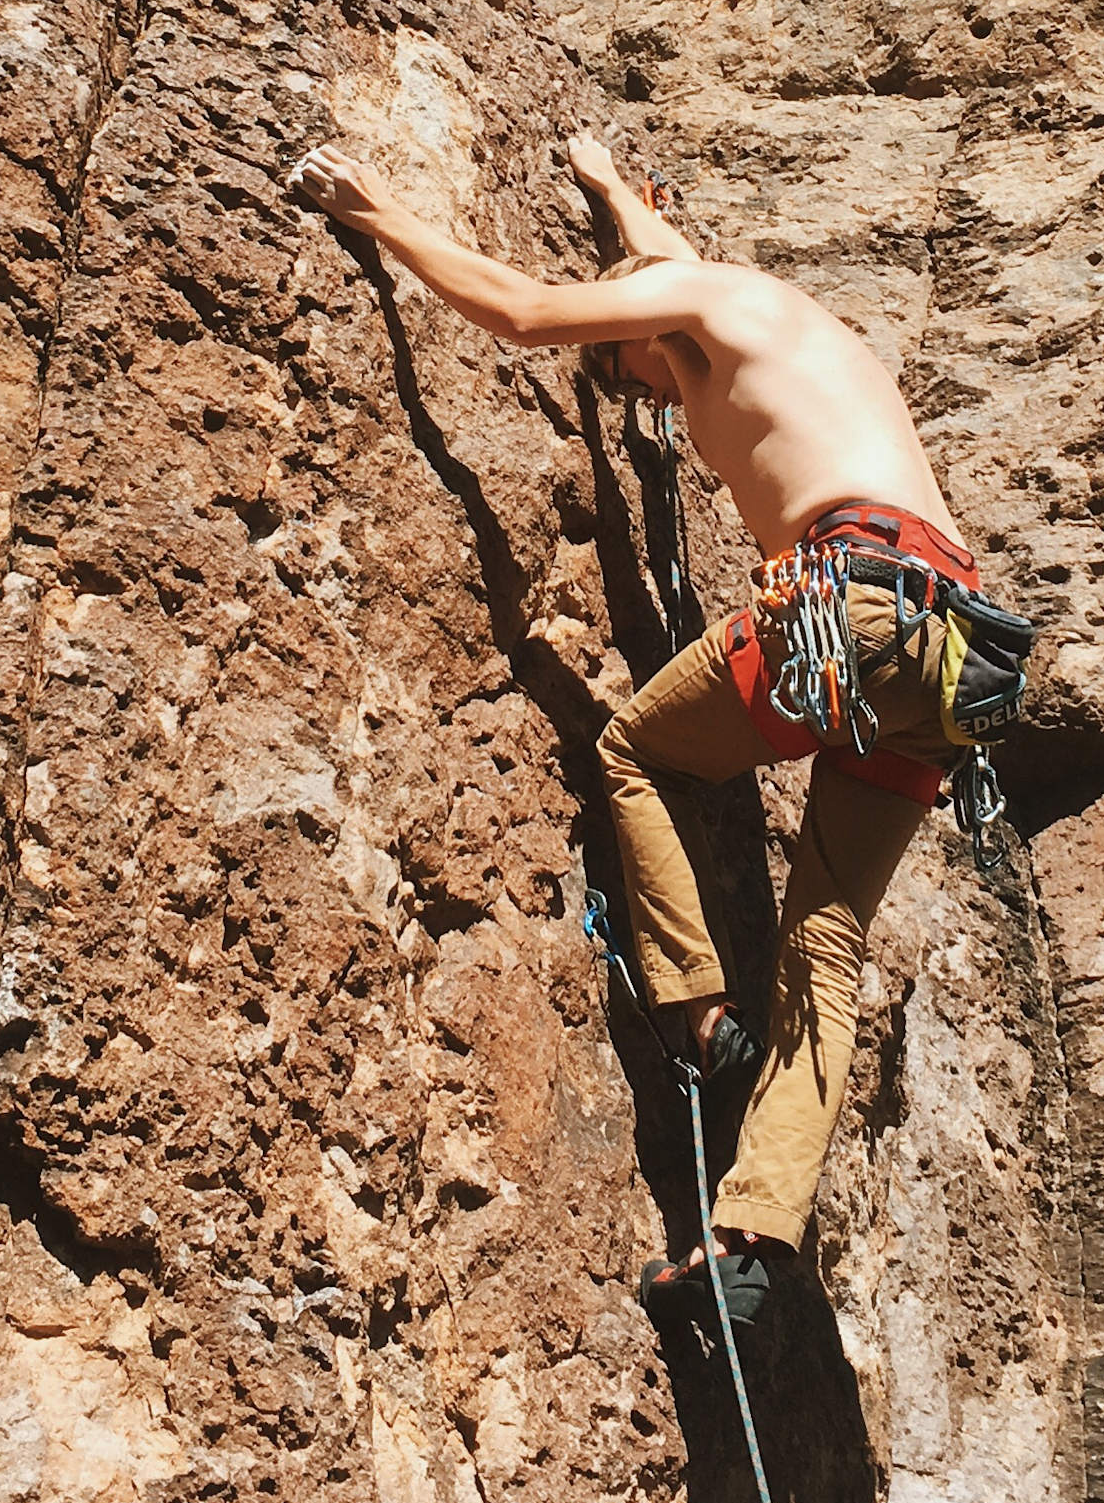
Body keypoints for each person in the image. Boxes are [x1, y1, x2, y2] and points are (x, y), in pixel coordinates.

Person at [291, 128, 1004, 1337]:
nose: (633, 392)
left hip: (858, 603)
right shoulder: (760, 312)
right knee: (825, 945)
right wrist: (614, 189)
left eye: (619, 369)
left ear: (641, 314)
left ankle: (705, 1021)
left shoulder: (695, 307)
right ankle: (753, 1244)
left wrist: (377, 213)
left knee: (638, 750)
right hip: (956, 656)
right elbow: (659, 268)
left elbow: (524, 313)